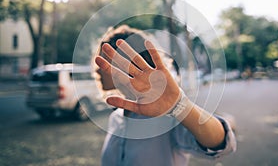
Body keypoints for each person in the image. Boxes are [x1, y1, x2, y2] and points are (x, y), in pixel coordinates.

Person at [94, 25, 236, 166]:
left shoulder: (165, 114)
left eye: (102, 61)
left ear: (126, 63)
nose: (96, 70)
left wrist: (179, 105)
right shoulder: (116, 117)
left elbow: (221, 143)